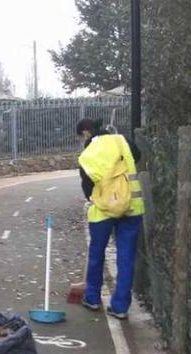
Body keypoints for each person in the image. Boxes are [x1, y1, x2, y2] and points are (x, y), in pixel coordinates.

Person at [76, 118, 144, 320]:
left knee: (97, 254)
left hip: (103, 211)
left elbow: (87, 187)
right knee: (126, 258)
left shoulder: (88, 154)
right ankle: (120, 306)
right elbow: (138, 156)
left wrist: (99, 197)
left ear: (87, 133)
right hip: (131, 207)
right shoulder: (122, 141)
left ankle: (92, 298)